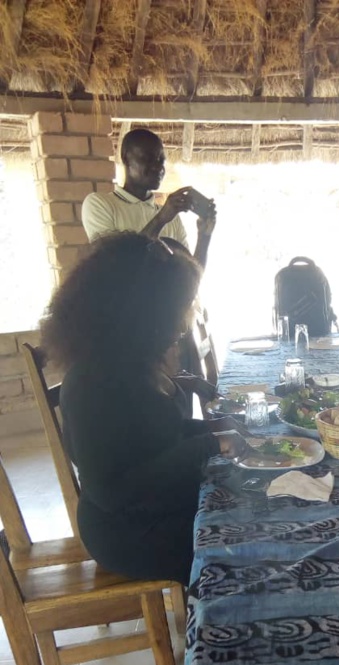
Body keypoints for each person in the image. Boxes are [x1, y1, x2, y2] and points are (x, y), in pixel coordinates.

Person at [39, 232, 245, 585]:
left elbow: (158, 435)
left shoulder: (131, 362)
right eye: (175, 312)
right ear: (138, 314)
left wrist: (213, 429)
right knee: (242, 538)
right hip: (131, 531)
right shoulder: (91, 384)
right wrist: (210, 444)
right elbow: (114, 491)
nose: (182, 326)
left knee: (251, 500)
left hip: (159, 503)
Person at [81, 127, 216, 267]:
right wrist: (160, 219)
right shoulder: (100, 204)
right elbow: (116, 265)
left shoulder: (173, 219)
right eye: (148, 159)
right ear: (126, 158)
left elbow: (190, 275)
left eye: (161, 160)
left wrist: (204, 236)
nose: (158, 167)